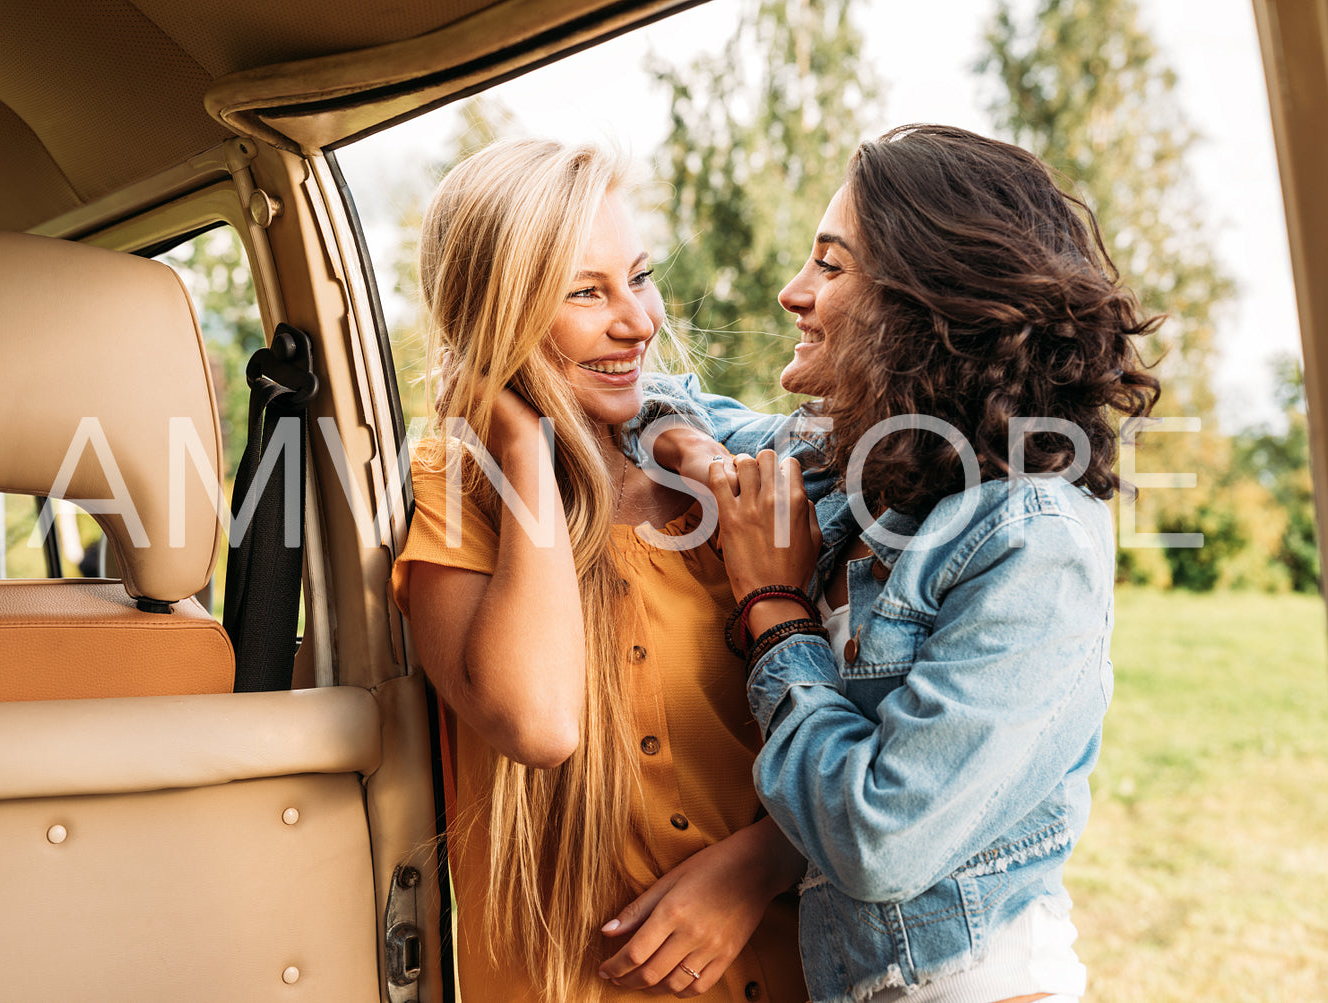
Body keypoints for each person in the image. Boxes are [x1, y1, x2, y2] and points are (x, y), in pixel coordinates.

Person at [646, 124, 1161, 1003]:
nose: (790, 292)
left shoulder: (1034, 540)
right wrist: (684, 447)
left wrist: (774, 604)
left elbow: (880, 838)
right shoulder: (864, 468)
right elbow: (662, 399)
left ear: (925, 304)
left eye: (830, 265)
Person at [388, 138, 808, 1003]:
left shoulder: (719, 478)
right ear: (499, 314)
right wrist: (521, 447)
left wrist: (758, 865)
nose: (639, 320)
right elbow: (538, 723)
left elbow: (860, 736)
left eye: (640, 277)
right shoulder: (452, 490)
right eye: (587, 292)